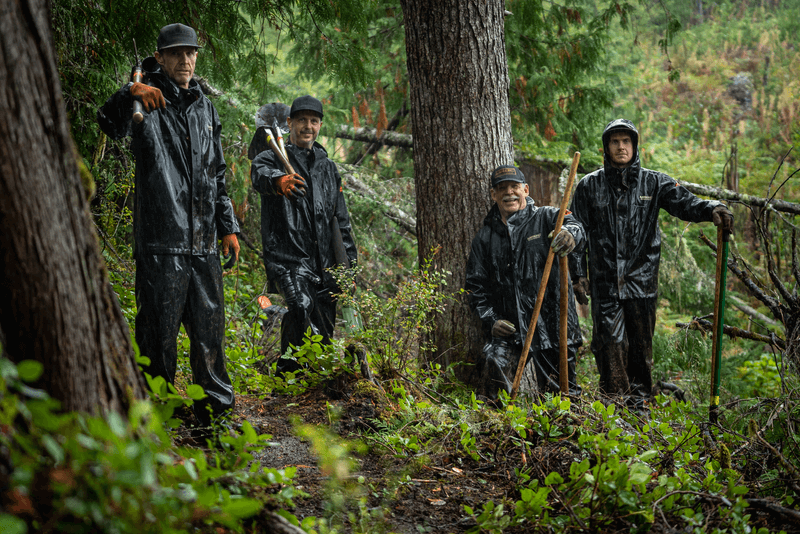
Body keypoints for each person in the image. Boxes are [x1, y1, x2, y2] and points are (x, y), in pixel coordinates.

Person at [97, 23, 240, 427]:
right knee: (157, 340)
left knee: (210, 337)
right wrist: (129, 93)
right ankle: (153, 420)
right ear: (159, 57)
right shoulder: (146, 100)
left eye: (191, 53)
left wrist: (227, 225)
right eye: (176, 53)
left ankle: (216, 419)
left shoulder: (205, 108)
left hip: (203, 244)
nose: (186, 60)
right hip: (162, 243)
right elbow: (108, 121)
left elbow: (217, 173)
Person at [570, 118, 734, 411]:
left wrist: (712, 208)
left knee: (641, 349)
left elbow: (686, 203)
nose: (621, 147)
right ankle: (614, 406)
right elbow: (576, 229)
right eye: (615, 142)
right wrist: (577, 274)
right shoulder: (588, 186)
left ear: (634, 146)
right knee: (609, 345)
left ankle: (640, 406)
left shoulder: (655, 182)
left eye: (626, 141)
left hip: (642, 281)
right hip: (605, 282)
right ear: (606, 148)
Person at [250, 95, 357, 374]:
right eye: (301, 120)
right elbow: (258, 175)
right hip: (288, 257)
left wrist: (349, 268)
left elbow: (340, 221)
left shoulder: (328, 168)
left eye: (313, 121)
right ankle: (287, 376)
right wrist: (279, 181)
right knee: (300, 306)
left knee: (323, 326)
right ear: (289, 123)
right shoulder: (272, 156)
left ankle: (314, 380)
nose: (307, 126)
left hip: (325, 262)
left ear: (319, 125)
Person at [465, 165, 585, 400]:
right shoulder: (486, 237)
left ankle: (566, 431)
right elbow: (475, 286)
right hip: (512, 327)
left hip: (552, 325)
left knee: (561, 396)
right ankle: (502, 426)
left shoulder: (548, 217)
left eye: (514, 187)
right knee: (493, 365)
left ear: (526, 190)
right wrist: (491, 319)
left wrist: (570, 235)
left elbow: (576, 225)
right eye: (502, 189)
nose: (509, 193)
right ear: (494, 195)